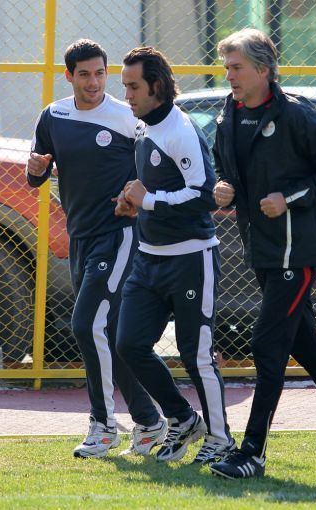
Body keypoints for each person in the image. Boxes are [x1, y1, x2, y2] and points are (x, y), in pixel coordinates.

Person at [207, 28, 316, 480]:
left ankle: (252, 452)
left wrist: (289, 198)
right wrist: (223, 187)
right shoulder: (228, 113)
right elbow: (224, 165)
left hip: (297, 250)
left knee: (267, 344)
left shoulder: (296, 116)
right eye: (227, 68)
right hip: (261, 246)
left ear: (263, 70)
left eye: (236, 67)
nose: (229, 75)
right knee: (304, 344)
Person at [26, 39, 166, 459]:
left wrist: (136, 198)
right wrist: (35, 170)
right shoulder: (54, 116)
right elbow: (37, 173)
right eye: (84, 74)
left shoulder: (128, 118)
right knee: (112, 335)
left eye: (100, 73)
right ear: (69, 76)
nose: (93, 82)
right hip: (81, 238)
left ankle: (103, 427)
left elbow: (154, 172)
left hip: (119, 235)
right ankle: (152, 421)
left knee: (87, 325)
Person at [115, 46, 235, 465]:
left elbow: (204, 196)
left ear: (157, 86)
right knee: (129, 344)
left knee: (196, 354)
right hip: (148, 258)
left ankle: (220, 438)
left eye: (134, 87)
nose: (127, 95)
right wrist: (133, 202)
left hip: (190, 259)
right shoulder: (144, 127)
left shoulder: (181, 130)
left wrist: (148, 200)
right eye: (125, 86)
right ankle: (183, 419)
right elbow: (155, 187)